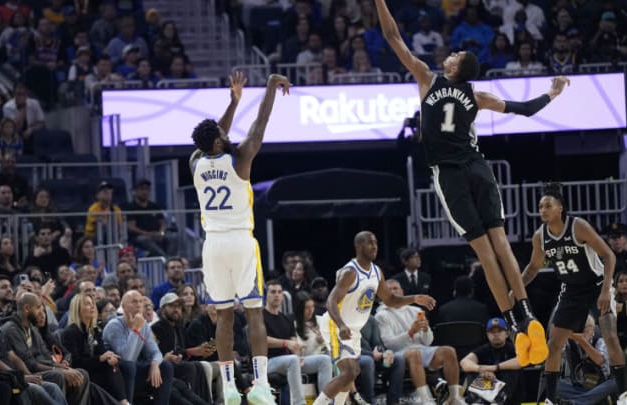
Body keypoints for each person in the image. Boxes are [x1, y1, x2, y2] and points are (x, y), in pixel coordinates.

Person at [374, 0, 572, 364]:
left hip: (450, 176)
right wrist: (554, 93)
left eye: (455, 54)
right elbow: (525, 110)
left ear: (454, 67)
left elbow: (391, 35)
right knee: (502, 244)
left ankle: (514, 322)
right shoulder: (478, 96)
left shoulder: (426, 78)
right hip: (479, 168)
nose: (451, 53)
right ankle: (527, 314)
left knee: (484, 253)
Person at [189, 71, 291, 405]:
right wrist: (270, 87)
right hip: (240, 242)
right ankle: (261, 385)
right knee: (254, 313)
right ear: (219, 141)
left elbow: (213, 138)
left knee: (224, 316)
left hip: (213, 244)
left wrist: (233, 103)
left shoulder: (195, 162)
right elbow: (260, 124)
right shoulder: (241, 158)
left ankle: (229, 387)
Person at [520, 183, 627, 405]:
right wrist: (516, 289)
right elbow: (533, 268)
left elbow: (609, 256)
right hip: (571, 291)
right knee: (553, 345)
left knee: (609, 337)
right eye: (540, 206)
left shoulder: (578, 226)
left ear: (560, 207)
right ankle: (550, 400)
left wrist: (607, 291)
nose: (542, 210)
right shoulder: (540, 237)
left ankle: (623, 395)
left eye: (548, 206)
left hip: (597, 284)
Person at [313, 231, 439, 405]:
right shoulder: (350, 272)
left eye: (376, 243)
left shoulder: (376, 272)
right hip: (336, 325)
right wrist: (341, 325)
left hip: (353, 329)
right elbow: (331, 301)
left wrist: (414, 298)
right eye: (369, 243)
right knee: (349, 372)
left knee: (352, 372)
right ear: (358, 246)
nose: (374, 247)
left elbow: (390, 299)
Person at [375, 278, 466, 404]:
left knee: (448, 351)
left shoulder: (416, 310)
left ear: (402, 291)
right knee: (414, 353)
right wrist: (410, 332)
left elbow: (428, 342)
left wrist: (425, 330)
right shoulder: (381, 315)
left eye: (395, 288)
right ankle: (425, 399)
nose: (393, 292)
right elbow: (389, 344)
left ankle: (455, 397)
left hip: (421, 349)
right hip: (397, 354)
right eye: (389, 290)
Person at [102, 290, 173, 405]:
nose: (139, 305)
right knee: (130, 366)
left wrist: (155, 364)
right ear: (124, 307)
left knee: (165, 366)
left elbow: (156, 352)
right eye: (134, 302)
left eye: (141, 302)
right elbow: (126, 357)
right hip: (116, 374)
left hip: (134, 370)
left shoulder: (143, 325)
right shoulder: (114, 326)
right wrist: (136, 330)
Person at [62, 293, 128, 404]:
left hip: (95, 370)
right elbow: (75, 363)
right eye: (87, 304)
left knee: (113, 366)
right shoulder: (71, 332)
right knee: (108, 371)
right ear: (77, 308)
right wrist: (101, 359)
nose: (93, 306)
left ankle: (124, 401)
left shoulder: (95, 330)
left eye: (93, 304)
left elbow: (102, 353)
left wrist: (109, 358)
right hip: (82, 374)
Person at [460, 318, 522, 405]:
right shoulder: (484, 349)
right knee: (472, 371)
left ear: (507, 333)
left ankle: (499, 398)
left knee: (512, 370)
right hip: (485, 389)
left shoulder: (513, 348)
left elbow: (522, 361)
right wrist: (481, 370)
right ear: (487, 335)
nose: (496, 334)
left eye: (499, 331)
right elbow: (464, 362)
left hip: (508, 394)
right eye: (492, 332)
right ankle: (477, 401)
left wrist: (495, 368)